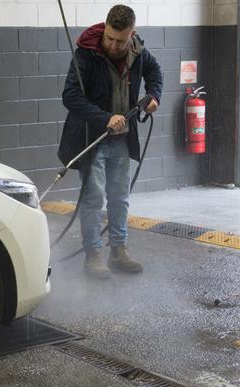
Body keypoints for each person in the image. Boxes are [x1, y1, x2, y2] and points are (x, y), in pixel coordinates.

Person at [58, 4, 163, 279]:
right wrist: (105, 117)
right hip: (93, 138)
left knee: (120, 197)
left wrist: (153, 97)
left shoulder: (138, 52)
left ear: (132, 34)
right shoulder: (86, 54)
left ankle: (119, 250)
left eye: (121, 40)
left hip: (122, 139)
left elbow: (155, 72)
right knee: (93, 198)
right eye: (110, 38)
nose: (114, 45)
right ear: (105, 29)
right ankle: (93, 254)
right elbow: (70, 96)